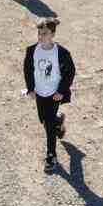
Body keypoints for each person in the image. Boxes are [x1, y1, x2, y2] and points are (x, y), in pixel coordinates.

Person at [22, 18, 75, 173]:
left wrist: (61, 90)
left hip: (53, 94)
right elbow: (28, 70)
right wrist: (30, 89)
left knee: (49, 126)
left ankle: (51, 155)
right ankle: (58, 121)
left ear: (52, 34)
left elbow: (70, 72)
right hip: (39, 92)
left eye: (44, 33)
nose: (40, 36)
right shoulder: (32, 50)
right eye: (39, 33)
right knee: (44, 120)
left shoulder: (61, 53)